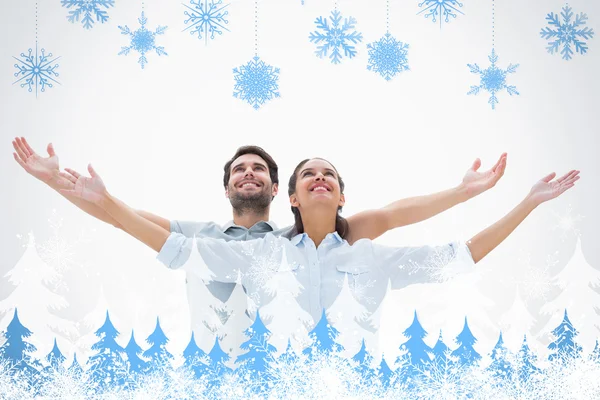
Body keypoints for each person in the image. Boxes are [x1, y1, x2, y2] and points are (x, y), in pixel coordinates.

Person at [55, 156, 580, 356]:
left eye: (329, 174)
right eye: (310, 175)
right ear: (293, 197)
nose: (321, 179)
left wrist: (526, 203)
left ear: (343, 194)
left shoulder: (369, 254)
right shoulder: (262, 254)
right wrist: (101, 201)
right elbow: (171, 245)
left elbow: (461, 255)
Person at [12, 137, 507, 342]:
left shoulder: (298, 242)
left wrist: (464, 192)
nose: (247, 174)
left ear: (278, 191)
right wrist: (52, 181)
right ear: (226, 186)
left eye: (259, 170)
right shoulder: (200, 237)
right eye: (238, 169)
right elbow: (117, 215)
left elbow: (395, 215)